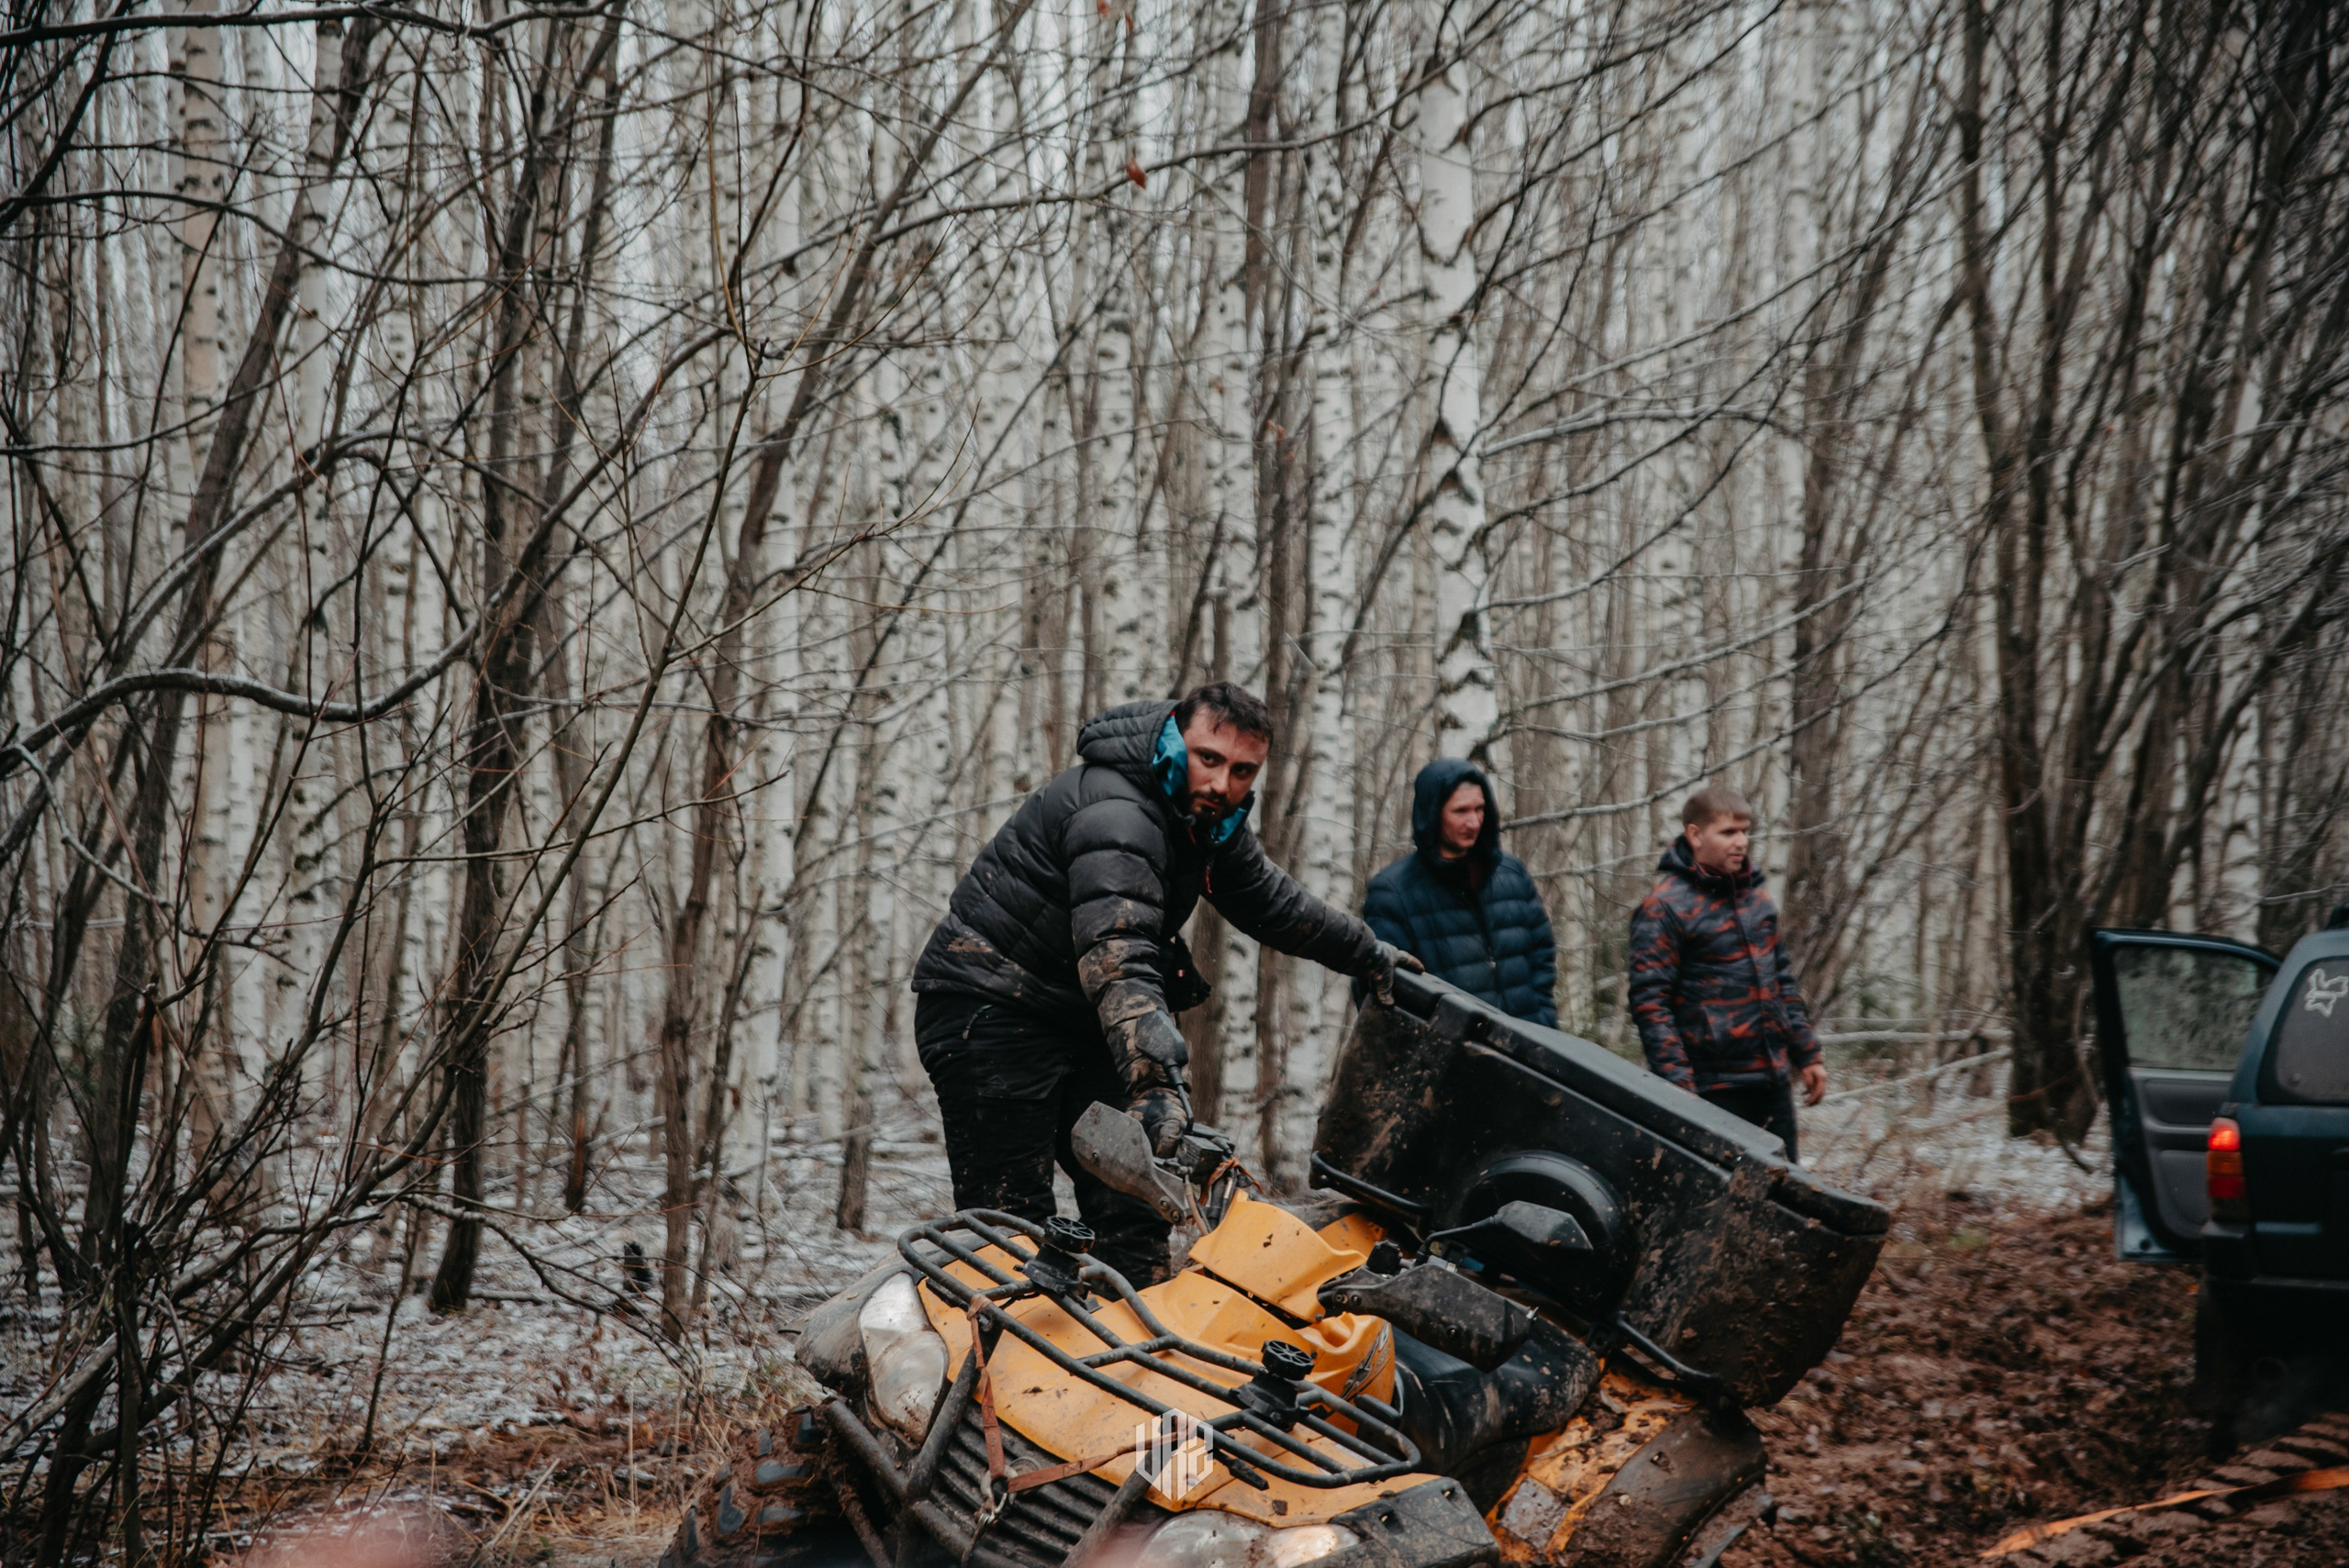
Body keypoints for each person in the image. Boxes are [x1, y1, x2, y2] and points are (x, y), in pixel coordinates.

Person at [908, 682, 1416, 1283]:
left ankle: (1128, 1364)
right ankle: (980, 1365)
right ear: (1174, 735)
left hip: (1074, 1021)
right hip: (987, 1007)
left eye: (1242, 770)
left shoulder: (1203, 821)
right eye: (1209, 758)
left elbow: (1272, 903)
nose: (1222, 784)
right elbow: (1116, 953)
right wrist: (1153, 1080)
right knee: (1010, 1231)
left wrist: (1368, 953)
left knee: (1137, 1207)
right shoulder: (1117, 811)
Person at [1627, 784, 1827, 1159]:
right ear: (1695, 835)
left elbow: (1781, 982)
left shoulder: (1757, 901)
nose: (1741, 842)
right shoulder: (1664, 908)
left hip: (1770, 1080)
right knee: (1723, 1204)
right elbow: (1651, 1004)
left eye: (1745, 831)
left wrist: (1808, 1053)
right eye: (1728, 832)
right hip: (1711, 1089)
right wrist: (1678, 1089)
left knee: (1786, 1198)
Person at [1362, 760, 1558, 1026]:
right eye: (1461, 810)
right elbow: (1381, 987)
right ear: (1433, 814)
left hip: (1529, 1045)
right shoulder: (1394, 891)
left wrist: (1542, 1019)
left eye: (1479, 809)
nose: (1474, 821)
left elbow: (1542, 955)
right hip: (1452, 1056)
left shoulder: (1511, 875)